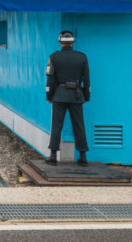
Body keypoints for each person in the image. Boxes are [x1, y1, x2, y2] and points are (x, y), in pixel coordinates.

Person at [45, 30, 90, 166]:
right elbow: (87, 79)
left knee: (56, 126)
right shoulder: (82, 57)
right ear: (73, 42)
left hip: (59, 95)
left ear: (60, 41)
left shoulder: (53, 57)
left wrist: (49, 95)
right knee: (79, 125)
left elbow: (50, 79)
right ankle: (82, 156)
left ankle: (53, 156)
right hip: (77, 95)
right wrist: (86, 96)